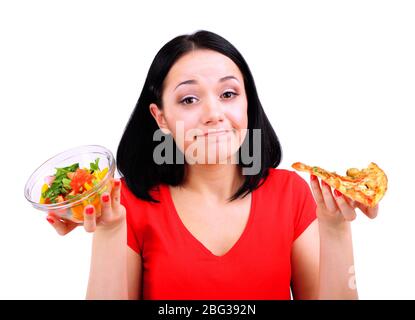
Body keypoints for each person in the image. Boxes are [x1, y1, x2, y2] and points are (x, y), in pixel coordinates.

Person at [45, 30, 379, 300]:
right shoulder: (130, 206)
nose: (213, 114)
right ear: (159, 117)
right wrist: (108, 231)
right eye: (189, 99)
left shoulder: (291, 193)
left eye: (229, 94)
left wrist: (336, 229)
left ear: (248, 102)